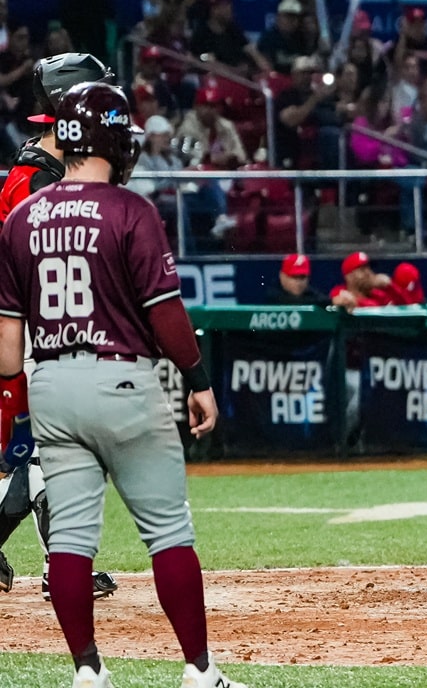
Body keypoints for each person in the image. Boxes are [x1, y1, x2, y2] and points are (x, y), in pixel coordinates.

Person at [0, 82, 247, 688]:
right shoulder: (132, 210)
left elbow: (7, 349)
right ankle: (199, 671)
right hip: (122, 381)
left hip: (51, 383)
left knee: (71, 540)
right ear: (113, 137)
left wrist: (13, 400)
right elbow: (165, 314)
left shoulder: (24, 215)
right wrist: (198, 378)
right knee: (167, 531)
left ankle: (88, 672)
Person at [0, 54, 120, 603]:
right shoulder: (31, 182)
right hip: (27, 330)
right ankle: (64, 566)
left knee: (50, 450)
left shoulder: (59, 173)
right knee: (50, 450)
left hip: (45, 329)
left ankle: (63, 564)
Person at [263, 254, 330, 306]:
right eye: (293, 277)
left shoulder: (311, 294)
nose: (298, 282)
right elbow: (293, 302)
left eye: (302, 277)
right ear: (282, 276)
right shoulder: (273, 294)